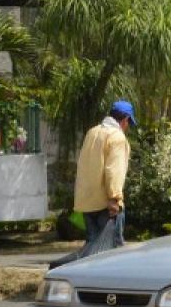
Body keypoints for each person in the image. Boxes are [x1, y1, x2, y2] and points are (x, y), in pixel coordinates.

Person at [55, 100, 134, 268]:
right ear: (125, 120)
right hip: (107, 204)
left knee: (93, 252)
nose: (127, 128)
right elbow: (114, 170)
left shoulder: (92, 133)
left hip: (87, 203)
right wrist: (114, 198)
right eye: (129, 123)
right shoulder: (117, 137)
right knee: (114, 253)